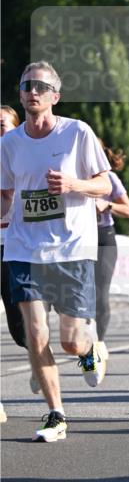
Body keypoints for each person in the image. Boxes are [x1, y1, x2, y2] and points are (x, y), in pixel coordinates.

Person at [0, 61, 111, 442]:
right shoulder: (9, 144)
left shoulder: (77, 132)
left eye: (40, 86)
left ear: (54, 97)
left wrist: (73, 183)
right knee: (35, 334)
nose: (32, 91)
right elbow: (5, 192)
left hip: (72, 246)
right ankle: (55, 414)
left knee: (69, 341)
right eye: (26, 85)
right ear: (20, 94)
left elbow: (106, 185)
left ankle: (90, 347)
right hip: (23, 247)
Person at [94, 140, 129, 360]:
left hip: (103, 236)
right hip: (75, 240)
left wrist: (107, 205)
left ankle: (98, 342)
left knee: (100, 294)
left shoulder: (109, 177)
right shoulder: (70, 176)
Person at [0, 106, 28, 422]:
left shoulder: (26, 155)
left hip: (18, 247)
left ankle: (38, 358)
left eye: (2, 124)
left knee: (21, 332)